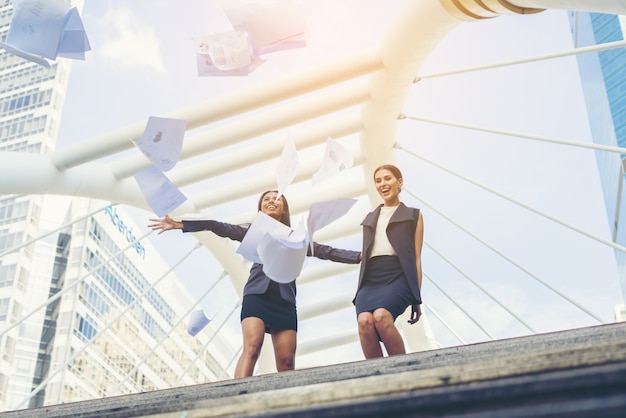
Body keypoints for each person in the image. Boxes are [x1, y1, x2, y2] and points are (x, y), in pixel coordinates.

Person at [148, 190, 361, 378]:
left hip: (284, 301)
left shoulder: (297, 238)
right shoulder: (254, 232)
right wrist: (181, 224)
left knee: (287, 363)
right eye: (266, 199)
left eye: (277, 199)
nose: (271, 201)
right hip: (257, 296)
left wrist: (361, 256)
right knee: (252, 346)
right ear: (260, 207)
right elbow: (218, 227)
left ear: (284, 208)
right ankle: (235, 400)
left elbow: (326, 251)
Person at [353, 164, 424, 359]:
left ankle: (404, 372)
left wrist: (416, 299)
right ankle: (379, 379)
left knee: (382, 317)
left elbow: (416, 258)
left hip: (397, 276)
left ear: (399, 182)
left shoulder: (413, 215)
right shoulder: (369, 218)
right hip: (370, 281)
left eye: (387, 178)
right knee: (365, 321)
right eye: (378, 180)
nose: (382, 184)